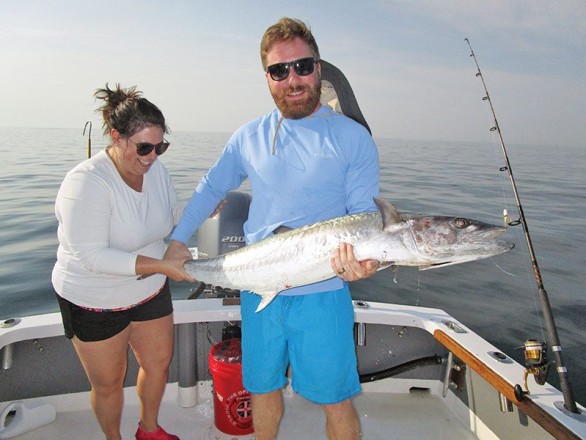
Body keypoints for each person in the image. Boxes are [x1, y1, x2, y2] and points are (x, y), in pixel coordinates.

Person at [166, 18, 380, 440]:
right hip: (258, 290)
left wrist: (366, 262)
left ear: (319, 68)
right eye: (279, 71)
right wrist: (177, 243)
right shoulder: (249, 137)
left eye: (301, 66)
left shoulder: (353, 138)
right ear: (267, 77)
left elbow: (363, 217)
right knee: (262, 390)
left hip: (323, 293)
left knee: (335, 400)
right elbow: (211, 187)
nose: (292, 79)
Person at [52, 84, 192, 440]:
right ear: (116, 137)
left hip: (149, 290)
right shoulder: (86, 181)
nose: (152, 156)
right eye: (143, 147)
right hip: (93, 299)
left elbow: (172, 210)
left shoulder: (156, 171)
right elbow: (92, 255)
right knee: (110, 384)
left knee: (158, 367)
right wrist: (163, 265)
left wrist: (201, 210)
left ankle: (148, 429)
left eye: (160, 147)